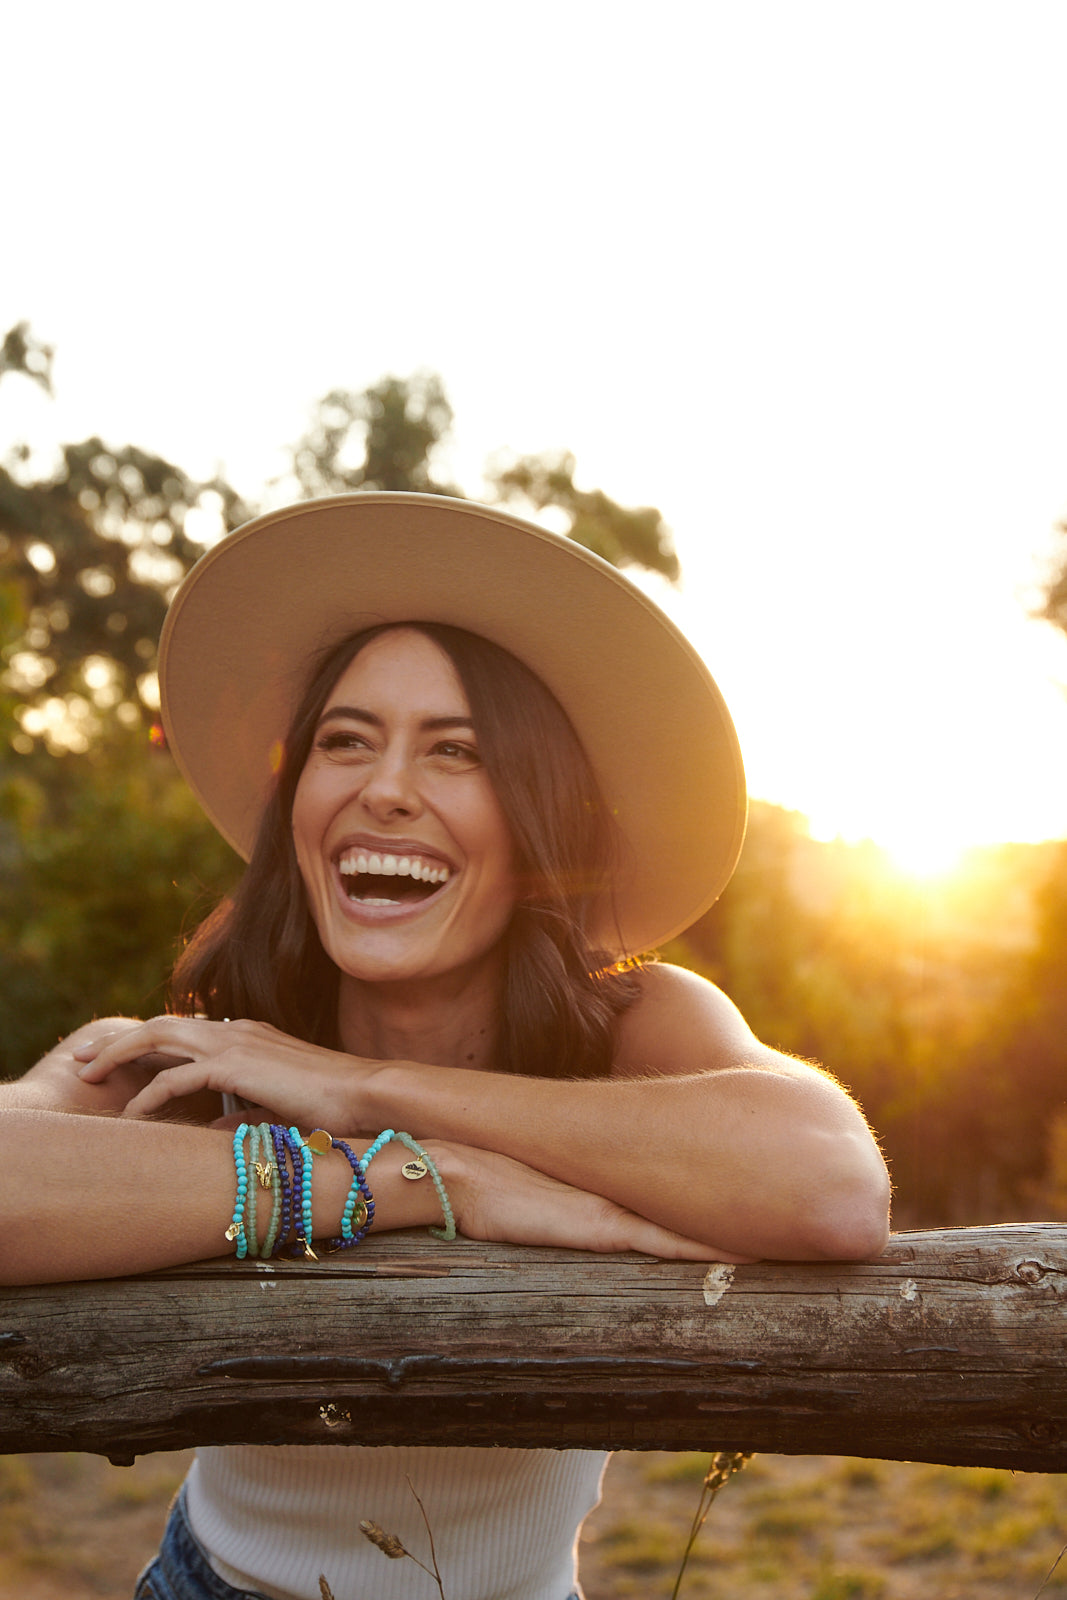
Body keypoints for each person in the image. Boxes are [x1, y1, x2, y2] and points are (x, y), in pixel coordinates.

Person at [0, 492, 890, 1600]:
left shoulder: (628, 1026)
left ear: (538, 819)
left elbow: (831, 1185)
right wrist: (412, 1176)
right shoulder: (217, 1047)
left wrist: (364, 1086)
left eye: (456, 751)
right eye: (345, 741)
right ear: (298, 802)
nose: (384, 788)